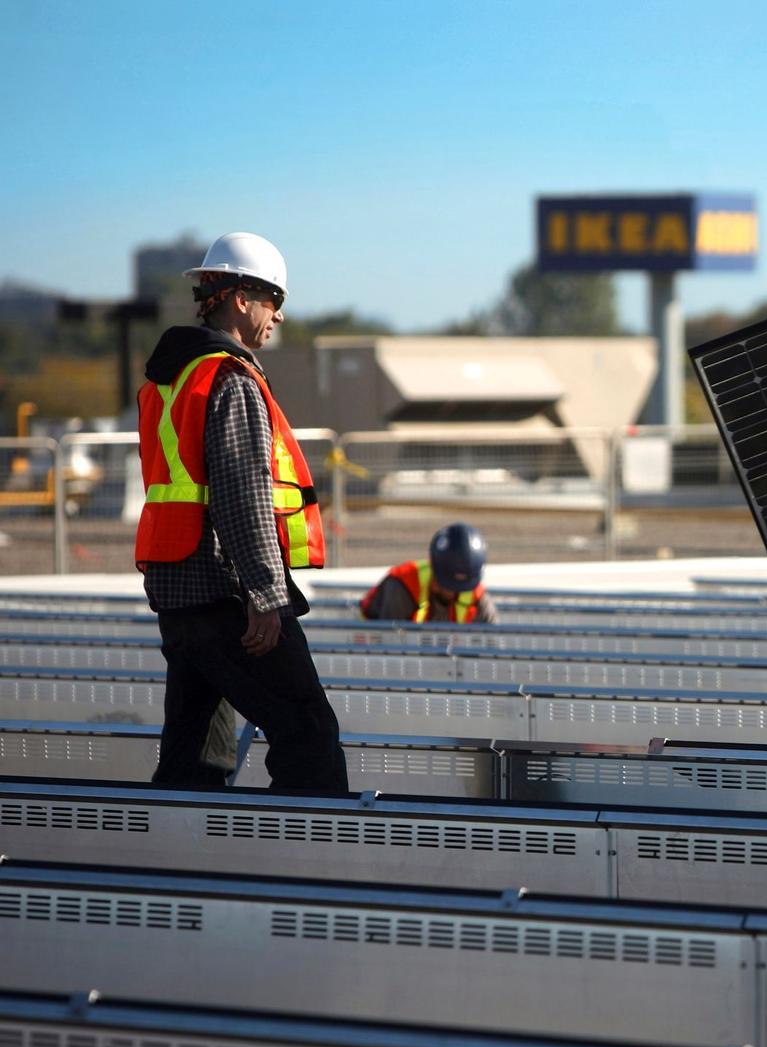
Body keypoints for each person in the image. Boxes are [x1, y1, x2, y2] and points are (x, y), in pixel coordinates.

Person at [135, 231, 348, 791]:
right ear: (239, 298)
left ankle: (177, 867)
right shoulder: (229, 378)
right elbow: (241, 496)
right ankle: (305, 865)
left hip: (178, 592)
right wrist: (265, 596)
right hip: (226, 593)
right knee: (309, 735)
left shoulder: (169, 380)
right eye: (274, 299)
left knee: (196, 755)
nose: (278, 315)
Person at [359, 522, 499, 624]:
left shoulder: (477, 596)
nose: (452, 592)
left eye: (460, 587)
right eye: (448, 584)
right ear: (433, 568)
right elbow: (388, 645)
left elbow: (494, 647)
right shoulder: (403, 586)